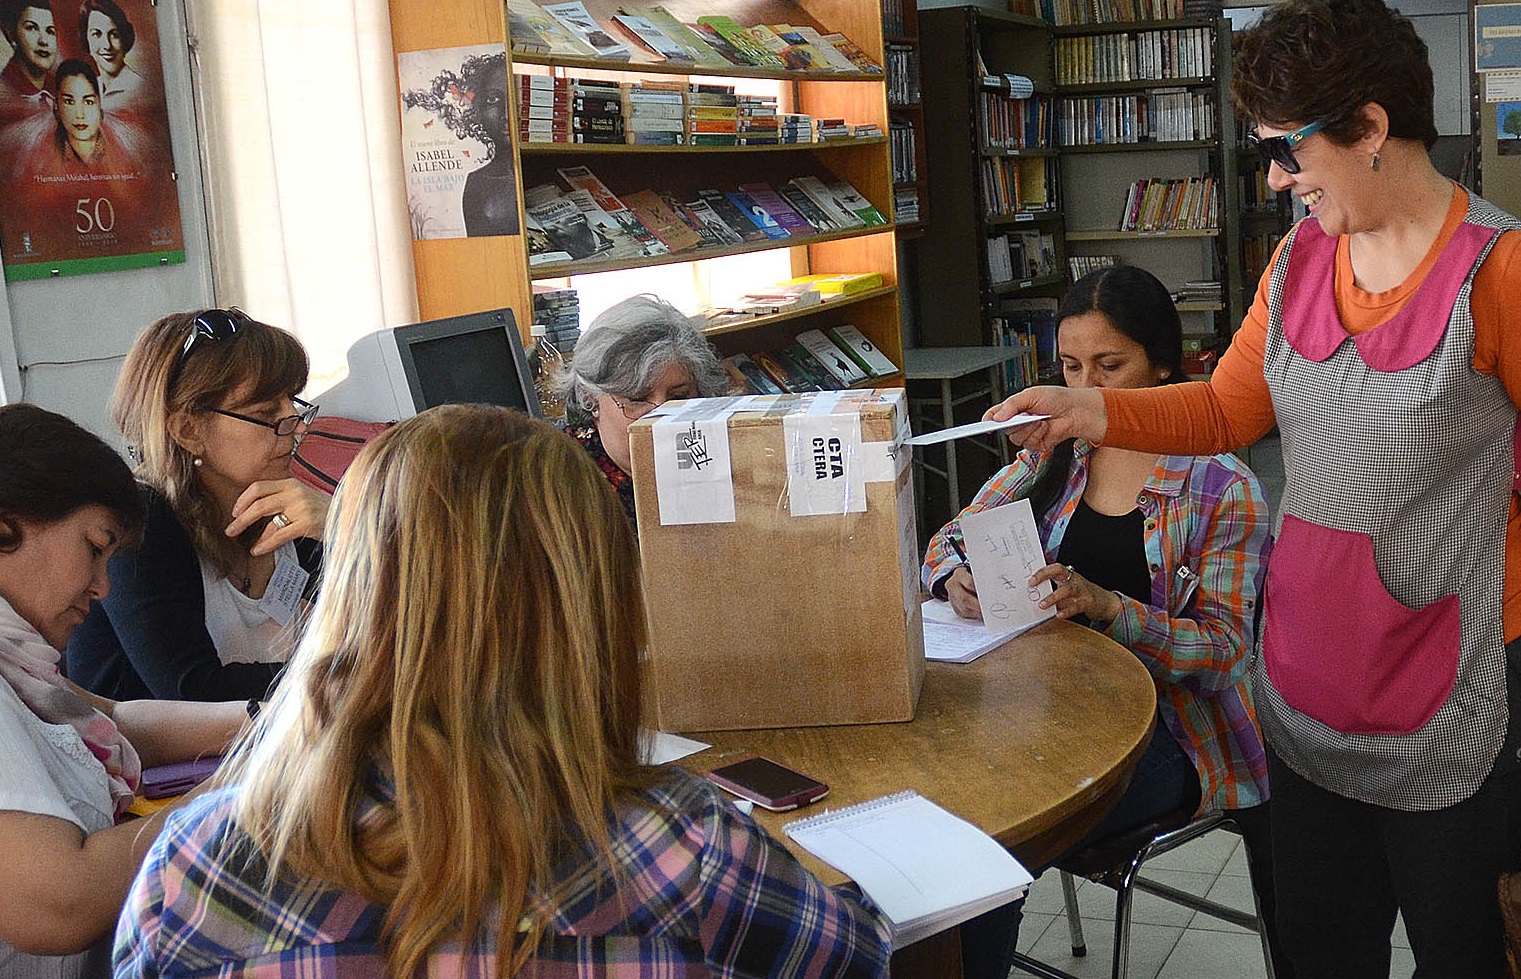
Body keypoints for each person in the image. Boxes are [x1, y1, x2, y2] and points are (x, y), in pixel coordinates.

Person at [989, 0, 1521, 974]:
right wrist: (1085, 414)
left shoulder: (1501, 270)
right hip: (1310, 691)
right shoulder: (1301, 258)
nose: (1275, 175)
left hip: (1457, 695)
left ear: (1368, 130)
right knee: (1322, 949)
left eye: (1290, 149)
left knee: (1465, 952)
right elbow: (1229, 410)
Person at [114, 404, 892, 978]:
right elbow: (858, 961)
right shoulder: (685, 849)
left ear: (356, 589)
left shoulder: (197, 865)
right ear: (591, 609)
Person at [923, 267, 1278, 978]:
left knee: (988, 857)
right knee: (938, 817)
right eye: (1070, 366)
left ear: (1164, 365)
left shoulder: (1219, 486)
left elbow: (1224, 655)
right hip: (1045, 709)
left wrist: (1110, 607)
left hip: (1170, 734)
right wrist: (951, 577)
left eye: (1109, 366)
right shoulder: (1057, 453)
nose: (1084, 388)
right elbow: (948, 538)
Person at [0, 402, 249, 977]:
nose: (102, 586)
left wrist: (269, 719)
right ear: (6, 522)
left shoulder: (21, 670)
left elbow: (116, 718)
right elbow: (60, 901)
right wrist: (241, 789)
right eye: (94, 546)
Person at [66, 308, 328, 703]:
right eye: (265, 413)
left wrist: (342, 526)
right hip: (151, 761)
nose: (296, 424)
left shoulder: (271, 501)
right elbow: (191, 688)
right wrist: (351, 672)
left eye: (291, 404)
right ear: (188, 431)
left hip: (265, 746)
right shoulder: (142, 523)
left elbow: (396, 618)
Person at [553, 294, 730, 529]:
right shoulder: (562, 481)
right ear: (590, 399)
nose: (660, 418)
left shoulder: (718, 454)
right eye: (637, 399)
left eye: (679, 398)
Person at [78, 0, 147, 115]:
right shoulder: (91, 87)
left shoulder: (139, 88)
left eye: (114, 35)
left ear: (124, 39)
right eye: (97, 34)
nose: (107, 45)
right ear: (86, 40)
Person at [0, 0, 54, 122]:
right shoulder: (4, 95)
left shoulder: (61, 90)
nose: (44, 41)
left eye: (50, 31)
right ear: (11, 35)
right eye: (32, 28)